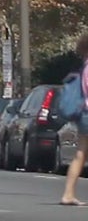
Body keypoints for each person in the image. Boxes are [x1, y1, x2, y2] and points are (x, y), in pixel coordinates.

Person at [60, 33, 88, 206]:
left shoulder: (84, 67)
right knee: (81, 154)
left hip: (84, 114)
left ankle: (68, 194)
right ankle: (68, 194)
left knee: (81, 154)